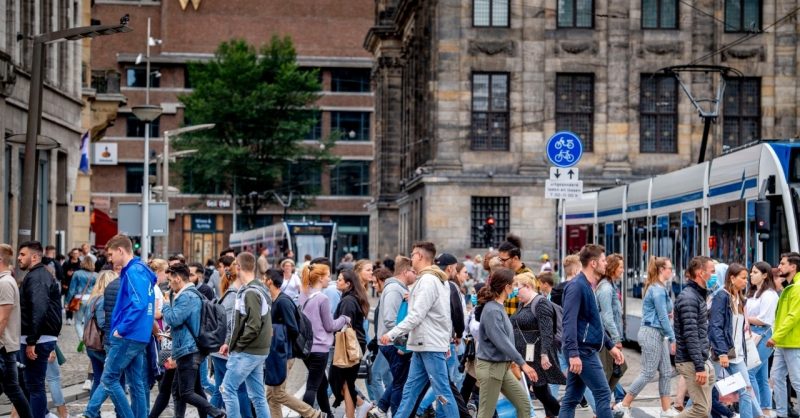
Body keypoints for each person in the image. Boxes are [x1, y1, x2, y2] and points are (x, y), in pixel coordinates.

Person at [379, 241, 459, 418]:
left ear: (420, 256)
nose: (411, 258)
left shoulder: (428, 280)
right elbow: (445, 315)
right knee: (410, 391)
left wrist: (392, 334)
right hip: (424, 344)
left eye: (413, 254)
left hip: (429, 344)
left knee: (441, 392)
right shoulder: (435, 280)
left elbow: (416, 315)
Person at [82, 234, 154, 418]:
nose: (110, 259)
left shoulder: (133, 272)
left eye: (111, 254)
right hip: (138, 334)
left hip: (128, 335)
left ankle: (92, 413)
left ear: (121, 251)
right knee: (136, 383)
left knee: (109, 378)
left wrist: (121, 329)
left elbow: (139, 304)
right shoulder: (140, 270)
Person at [559, 244, 624, 418]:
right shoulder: (577, 287)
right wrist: (573, 353)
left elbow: (594, 322)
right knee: (603, 393)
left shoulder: (587, 285)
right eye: (603, 260)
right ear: (593, 263)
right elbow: (569, 322)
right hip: (582, 351)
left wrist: (610, 346)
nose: (606, 263)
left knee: (572, 398)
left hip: (583, 349)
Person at [615, 257, 678, 418]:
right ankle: (623, 405)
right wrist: (673, 338)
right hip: (652, 333)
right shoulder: (657, 290)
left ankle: (665, 409)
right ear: (661, 270)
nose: (672, 271)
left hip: (658, 334)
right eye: (670, 268)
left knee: (666, 371)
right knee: (648, 372)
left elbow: (663, 314)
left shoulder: (659, 288)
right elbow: (662, 317)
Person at [161, 263, 226, 418]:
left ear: (177, 278)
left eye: (170, 280)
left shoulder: (187, 296)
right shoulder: (189, 294)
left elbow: (173, 319)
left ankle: (216, 412)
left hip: (188, 350)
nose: (169, 284)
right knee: (184, 390)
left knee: (186, 393)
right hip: (188, 348)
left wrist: (165, 305)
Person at [264, 268, 326, 418]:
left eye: (264, 278)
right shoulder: (276, 300)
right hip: (279, 353)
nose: (262, 281)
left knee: (278, 394)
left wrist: (274, 331)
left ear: (269, 281)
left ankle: (314, 414)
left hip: (285, 354)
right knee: (271, 396)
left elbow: (293, 328)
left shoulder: (283, 302)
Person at [476, 267, 537, 418]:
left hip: (501, 368)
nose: (516, 289)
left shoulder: (498, 307)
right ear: (506, 287)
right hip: (491, 368)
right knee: (485, 414)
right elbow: (501, 341)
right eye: (514, 284)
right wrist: (522, 363)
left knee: (524, 405)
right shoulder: (492, 310)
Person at [220, 252, 273, 418]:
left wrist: (237, 345)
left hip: (247, 351)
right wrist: (230, 342)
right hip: (257, 350)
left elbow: (253, 326)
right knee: (258, 397)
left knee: (227, 389)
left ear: (238, 267)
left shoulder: (250, 292)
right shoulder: (259, 288)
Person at [511, 269, 565, 417]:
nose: (516, 293)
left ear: (528, 286)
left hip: (537, 354)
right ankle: (552, 414)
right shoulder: (523, 303)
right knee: (540, 389)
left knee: (540, 390)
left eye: (517, 289)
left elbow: (547, 331)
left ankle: (562, 414)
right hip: (528, 354)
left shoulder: (541, 303)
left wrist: (544, 354)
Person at [17, 241, 62, 418]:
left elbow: (39, 309)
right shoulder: (37, 275)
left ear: (34, 257)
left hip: (38, 339)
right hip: (37, 337)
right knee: (28, 384)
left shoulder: (38, 277)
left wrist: (32, 341)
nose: (19, 258)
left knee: (34, 386)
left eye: (23, 254)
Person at [709, 263, 760, 418]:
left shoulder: (740, 299)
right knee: (705, 390)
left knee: (745, 390)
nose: (746, 281)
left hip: (736, 354)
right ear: (732, 278)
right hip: (721, 353)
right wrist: (722, 352)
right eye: (743, 278)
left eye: (746, 278)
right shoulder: (722, 296)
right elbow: (716, 326)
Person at [300, 262, 350, 417]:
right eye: (328, 276)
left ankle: (328, 414)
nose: (330, 279)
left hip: (307, 348)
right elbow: (330, 326)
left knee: (322, 384)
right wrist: (344, 318)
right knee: (313, 386)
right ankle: (306, 415)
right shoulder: (322, 298)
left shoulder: (304, 295)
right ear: (320, 278)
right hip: (320, 348)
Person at [208, 258, 252, 418]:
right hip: (225, 350)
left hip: (219, 350)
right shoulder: (234, 296)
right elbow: (230, 324)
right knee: (239, 388)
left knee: (221, 389)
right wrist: (228, 343)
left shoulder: (230, 294)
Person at [674, 256, 715, 418]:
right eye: (712, 271)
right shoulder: (689, 298)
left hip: (700, 358)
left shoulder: (697, 295)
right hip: (691, 360)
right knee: (701, 409)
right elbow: (691, 335)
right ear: (700, 273)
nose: (714, 275)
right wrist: (699, 366)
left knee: (705, 410)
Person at [374, 256, 416, 417]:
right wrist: (403, 344)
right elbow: (390, 320)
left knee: (400, 380)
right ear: (405, 272)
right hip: (393, 344)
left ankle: (382, 407)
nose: (416, 275)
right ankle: (395, 413)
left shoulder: (398, 288)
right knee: (400, 383)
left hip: (394, 342)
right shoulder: (394, 289)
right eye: (413, 272)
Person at [330, 269, 373, 418]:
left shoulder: (348, 301)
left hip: (349, 346)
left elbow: (345, 324)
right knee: (345, 382)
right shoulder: (352, 297)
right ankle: (359, 406)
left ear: (348, 284)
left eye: (340, 279)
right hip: (354, 344)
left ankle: (356, 410)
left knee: (341, 380)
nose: (337, 281)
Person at [0, 244, 32, 418]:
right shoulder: (5, 280)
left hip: (3, 347)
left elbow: (3, 318)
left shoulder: (5, 283)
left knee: (13, 389)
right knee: (12, 388)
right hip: (5, 346)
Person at [767, 252, 800, 418]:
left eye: (782, 263)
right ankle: (781, 414)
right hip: (784, 342)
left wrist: (775, 337)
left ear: (793, 267)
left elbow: (793, 316)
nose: (779, 266)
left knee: (797, 381)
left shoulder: (798, 287)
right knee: (776, 377)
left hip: (793, 342)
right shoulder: (791, 286)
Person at [746, 261, 778, 417]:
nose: (751, 275)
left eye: (755, 272)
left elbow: (764, 319)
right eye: (751, 272)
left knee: (749, 372)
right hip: (752, 334)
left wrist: (743, 318)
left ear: (765, 275)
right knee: (761, 376)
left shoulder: (769, 295)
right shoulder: (752, 292)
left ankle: (756, 411)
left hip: (764, 335)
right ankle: (765, 410)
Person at [596, 253, 626, 401]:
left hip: (608, 335)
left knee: (615, 369)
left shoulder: (611, 286)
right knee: (611, 370)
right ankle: (606, 401)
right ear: (613, 268)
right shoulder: (606, 289)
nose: (623, 270)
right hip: (607, 336)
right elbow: (607, 317)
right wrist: (616, 339)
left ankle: (612, 398)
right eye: (621, 267)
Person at [83, 270, 117, 397]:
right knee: (110, 379)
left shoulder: (92, 299)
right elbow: (103, 323)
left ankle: (93, 407)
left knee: (98, 378)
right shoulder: (103, 300)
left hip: (91, 344)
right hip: (100, 345)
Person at [367, 267, 393, 408]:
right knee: (389, 379)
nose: (373, 285)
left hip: (387, 343)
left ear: (382, 281)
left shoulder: (389, 295)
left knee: (375, 375)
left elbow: (389, 321)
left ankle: (381, 409)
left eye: (375, 282)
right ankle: (392, 408)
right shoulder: (384, 296)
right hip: (383, 342)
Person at [497, 235, 533, 316]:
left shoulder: (528, 277)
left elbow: (530, 307)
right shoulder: (507, 274)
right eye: (500, 259)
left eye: (504, 260)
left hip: (519, 322)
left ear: (515, 258)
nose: (501, 263)